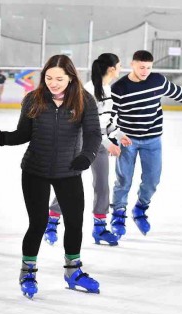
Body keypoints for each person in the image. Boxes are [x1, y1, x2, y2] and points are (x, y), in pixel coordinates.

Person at [0, 55, 102, 298]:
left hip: (69, 170)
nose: (53, 83)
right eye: (49, 78)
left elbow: (93, 133)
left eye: (59, 78)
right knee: (37, 223)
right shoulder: (34, 98)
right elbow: (22, 134)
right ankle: (27, 271)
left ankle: (73, 271)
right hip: (35, 170)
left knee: (74, 222)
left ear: (71, 77)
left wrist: (87, 155)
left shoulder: (84, 99)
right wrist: (0, 138)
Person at [109, 50, 182, 237]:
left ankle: (140, 209)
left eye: (149, 68)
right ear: (132, 64)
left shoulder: (157, 80)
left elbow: (179, 93)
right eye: (141, 67)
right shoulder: (120, 87)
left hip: (153, 140)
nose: (145, 71)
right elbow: (109, 116)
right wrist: (113, 140)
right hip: (128, 141)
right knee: (124, 179)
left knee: (152, 180)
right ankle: (118, 214)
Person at [44, 53, 126, 247]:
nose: (121, 69)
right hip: (82, 144)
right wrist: (108, 144)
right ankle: (52, 222)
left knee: (102, 185)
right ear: (112, 69)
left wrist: (120, 134)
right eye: (120, 66)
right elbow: (91, 125)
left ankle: (99, 228)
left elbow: (106, 120)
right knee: (69, 183)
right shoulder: (88, 91)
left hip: (100, 143)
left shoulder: (107, 89)